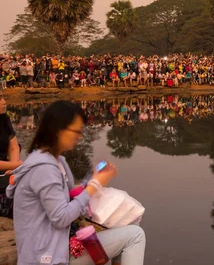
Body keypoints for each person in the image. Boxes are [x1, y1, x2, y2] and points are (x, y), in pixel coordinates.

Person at [6, 101, 146, 264]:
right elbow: (61, 217)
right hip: (45, 256)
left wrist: (93, 179)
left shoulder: (58, 161)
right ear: (58, 129)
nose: (79, 136)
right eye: (76, 130)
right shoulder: (43, 169)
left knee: (110, 248)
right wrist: (94, 186)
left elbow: (67, 197)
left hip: (58, 244)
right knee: (135, 236)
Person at [0, 96, 21, 218]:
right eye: (0, 99)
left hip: (7, 171)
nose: (4, 102)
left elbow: (14, 147)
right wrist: (16, 165)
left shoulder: (4, 118)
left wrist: (14, 169)